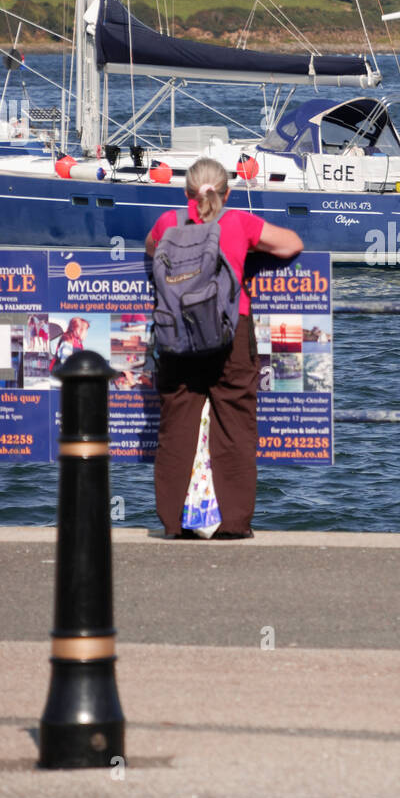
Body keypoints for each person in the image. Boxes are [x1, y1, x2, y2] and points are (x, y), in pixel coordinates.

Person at [145, 157, 302, 539]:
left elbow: (151, 248)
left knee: (176, 426)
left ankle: (173, 522)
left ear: (186, 193)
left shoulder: (169, 223)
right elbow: (292, 245)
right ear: (226, 192)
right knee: (235, 424)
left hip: (176, 334)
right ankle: (232, 523)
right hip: (230, 333)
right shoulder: (238, 223)